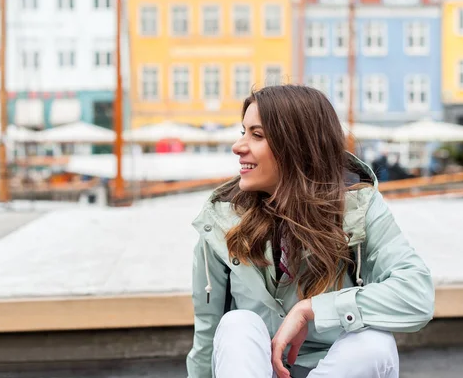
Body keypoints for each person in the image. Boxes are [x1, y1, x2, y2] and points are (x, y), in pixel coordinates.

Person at [186, 85, 434, 378]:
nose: (238, 146)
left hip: (333, 368)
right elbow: (207, 332)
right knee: (236, 324)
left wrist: (312, 308)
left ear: (296, 145)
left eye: (257, 135)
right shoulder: (221, 218)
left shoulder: (359, 207)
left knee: (375, 344)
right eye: (243, 132)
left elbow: (416, 294)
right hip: (254, 366)